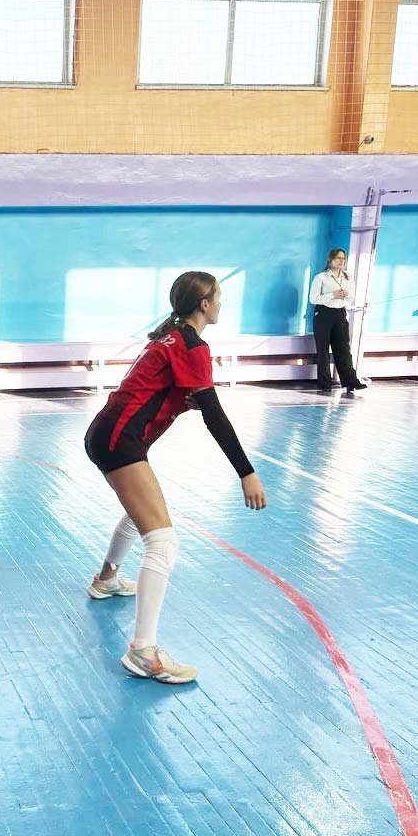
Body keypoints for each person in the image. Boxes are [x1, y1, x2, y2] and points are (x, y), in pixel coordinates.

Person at [83, 271, 267, 684]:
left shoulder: (168, 338)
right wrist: (247, 472)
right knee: (163, 542)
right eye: (218, 298)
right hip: (120, 441)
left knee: (141, 515)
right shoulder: (192, 345)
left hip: (107, 433)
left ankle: (106, 580)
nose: (221, 304)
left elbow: (160, 391)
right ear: (204, 304)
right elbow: (214, 416)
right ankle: (143, 652)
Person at [309, 248, 367, 393]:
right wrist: (332, 295)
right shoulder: (321, 277)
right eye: (338, 258)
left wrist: (346, 294)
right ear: (330, 260)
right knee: (323, 350)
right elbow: (313, 299)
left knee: (343, 349)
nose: (341, 261)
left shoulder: (348, 277)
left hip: (340, 313)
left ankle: (351, 381)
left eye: (343, 258)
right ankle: (325, 383)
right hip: (323, 313)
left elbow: (352, 298)